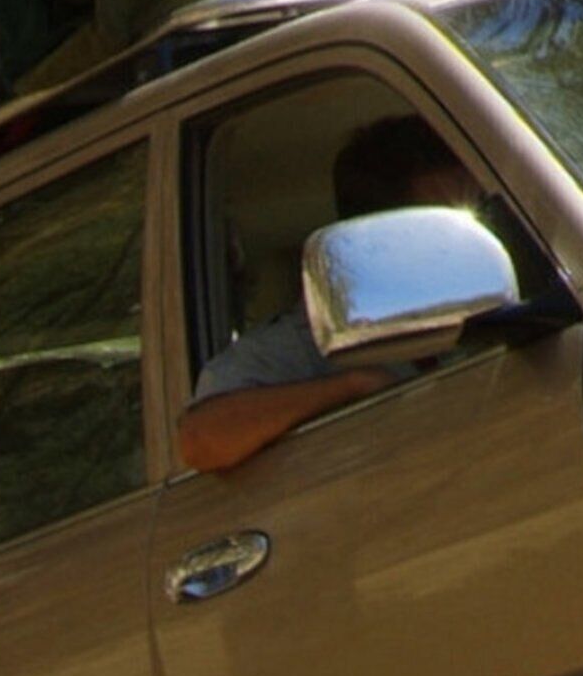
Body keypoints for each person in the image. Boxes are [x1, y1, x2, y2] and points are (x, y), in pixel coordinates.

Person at [177, 116, 482, 473]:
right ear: (376, 243)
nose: (468, 244)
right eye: (438, 229)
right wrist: (353, 387)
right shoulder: (303, 344)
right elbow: (201, 439)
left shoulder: (503, 297)